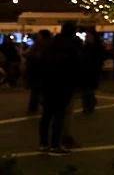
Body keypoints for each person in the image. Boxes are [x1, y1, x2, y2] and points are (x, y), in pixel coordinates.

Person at [39, 21, 80, 154]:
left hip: (48, 83)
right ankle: (55, 144)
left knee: (47, 115)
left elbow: (42, 63)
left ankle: (43, 143)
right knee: (59, 115)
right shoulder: (72, 45)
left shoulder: (50, 44)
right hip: (64, 83)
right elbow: (76, 65)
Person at [78, 32, 108, 113]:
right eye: (87, 37)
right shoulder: (85, 47)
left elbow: (103, 57)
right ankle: (86, 106)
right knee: (84, 90)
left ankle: (90, 105)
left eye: (89, 37)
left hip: (93, 71)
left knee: (89, 90)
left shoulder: (98, 48)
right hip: (84, 71)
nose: (88, 38)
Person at [24, 30, 50, 115]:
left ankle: (36, 107)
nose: (37, 36)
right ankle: (35, 107)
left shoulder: (42, 45)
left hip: (39, 70)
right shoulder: (44, 44)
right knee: (39, 90)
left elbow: (35, 55)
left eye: (39, 35)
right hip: (40, 70)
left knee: (37, 90)